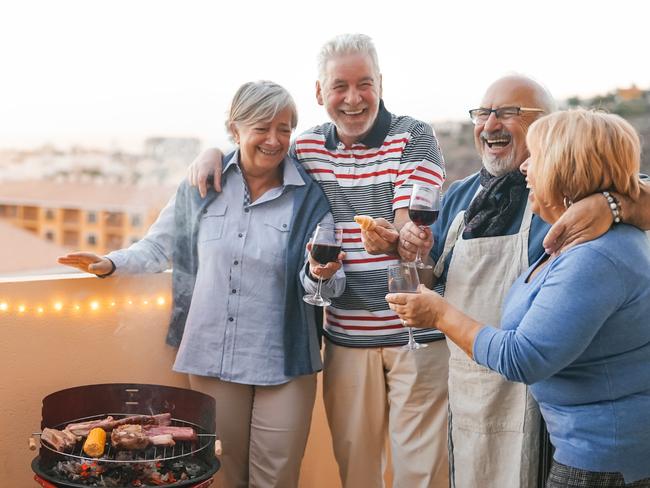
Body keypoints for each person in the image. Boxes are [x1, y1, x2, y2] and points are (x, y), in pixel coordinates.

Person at [186, 34, 449, 488]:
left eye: (364, 83)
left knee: (421, 473)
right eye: (339, 86)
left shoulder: (413, 134)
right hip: (347, 338)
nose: (353, 98)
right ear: (319, 93)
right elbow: (254, 151)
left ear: (380, 84)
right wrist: (211, 152)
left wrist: (406, 237)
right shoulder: (306, 149)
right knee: (357, 471)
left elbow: (411, 217)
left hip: (416, 335)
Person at [58, 80, 345, 488]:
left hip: (283, 362)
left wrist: (322, 275)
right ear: (235, 128)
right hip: (212, 356)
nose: (274, 139)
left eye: (284, 128)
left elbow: (323, 277)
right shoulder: (201, 186)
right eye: (262, 127)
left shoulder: (309, 198)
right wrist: (109, 263)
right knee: (220, 473)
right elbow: (159, 248)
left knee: (277, 477)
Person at [367, 75, 650, 488]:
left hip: (545, 409)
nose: (490, 124)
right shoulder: (462, 197)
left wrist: (612, 202)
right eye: (483, 113)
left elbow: (628, 186)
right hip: (471, 386)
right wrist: (404, 252)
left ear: (559, 152)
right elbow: (438, 274)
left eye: (509, 113)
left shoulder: (582, 224)